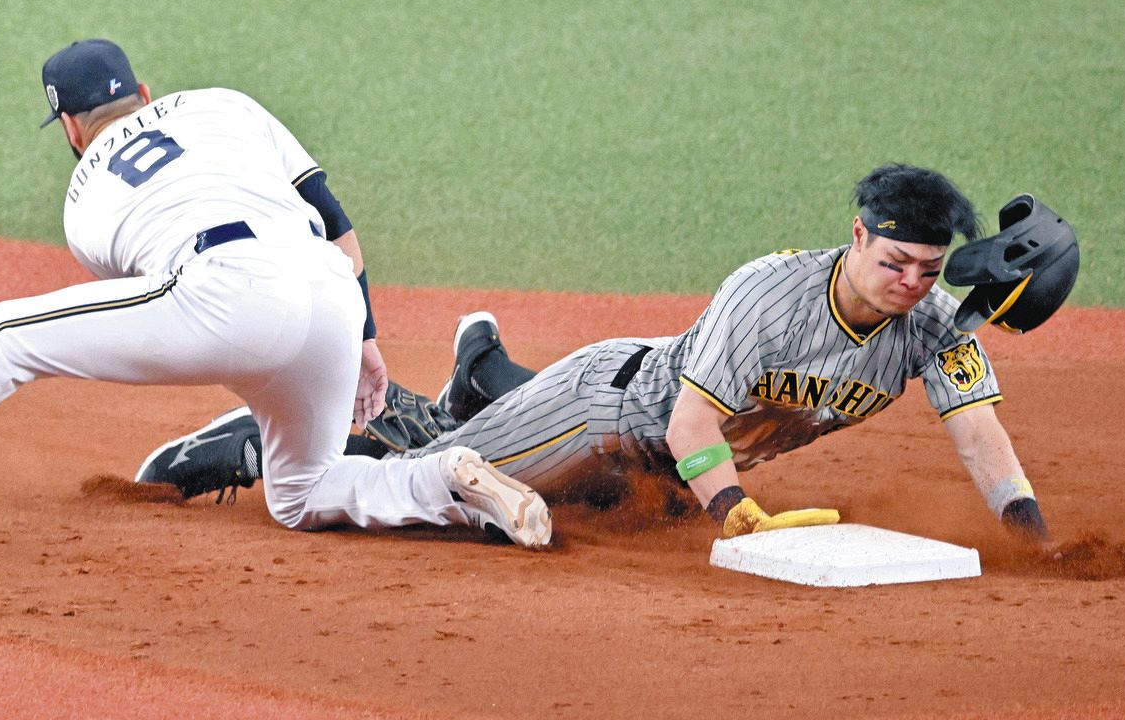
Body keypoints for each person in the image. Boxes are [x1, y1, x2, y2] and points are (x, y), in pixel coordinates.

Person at [141, 164, 1063, 546]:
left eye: (927, 269)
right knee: (439, 496)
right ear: (857, 236)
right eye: (894, 261)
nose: (909, 282)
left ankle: (483, 380)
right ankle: (263, 442)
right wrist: (736, 511)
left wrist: (1029, 534)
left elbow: (980, 430)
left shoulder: (933, 324)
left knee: (584, 500)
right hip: (607, 410)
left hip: (661, 461)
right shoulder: (769, 294)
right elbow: (691, 422)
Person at [0, 38, 550, 548]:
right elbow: (334, 219)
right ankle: (444, 476)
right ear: (143, 92)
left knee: (5, 334)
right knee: (302, 492)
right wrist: (363, 338)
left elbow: (175, 315)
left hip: (225, 291)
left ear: (70, 129)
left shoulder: (82, 201)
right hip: (331, 287)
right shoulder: (225, 103)